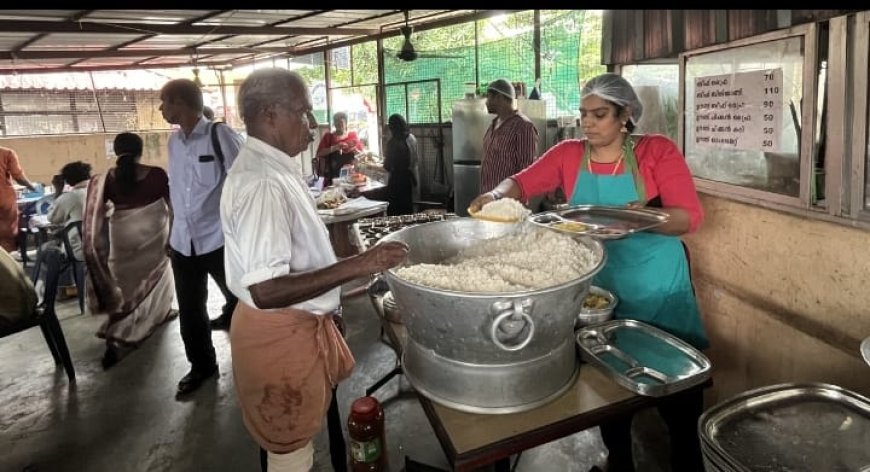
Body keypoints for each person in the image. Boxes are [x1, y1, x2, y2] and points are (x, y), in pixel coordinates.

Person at [469, 72, 709, 472]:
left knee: (679, 405)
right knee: (610, 404)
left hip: (659, 289)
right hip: (602, 292)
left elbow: (689, 218)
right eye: (584, 113)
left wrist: (645, 217)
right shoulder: (569, 154)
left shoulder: (656, 152)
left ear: (625, 115)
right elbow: (523, 182)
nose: (588, 122)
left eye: (599, 114)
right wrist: (496, 194)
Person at [220, 68, 408, 472]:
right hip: (278, 337)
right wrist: (360, 264)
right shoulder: (262, 183)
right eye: (304, 113)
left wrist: (330, 302)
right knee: (288, 450)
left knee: (295, 439)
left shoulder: (275, 169)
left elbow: (298, 262)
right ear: (270, 114)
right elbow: (265, 289)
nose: (312, 125)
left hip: (297, 326)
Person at [160, 78, 243, 397]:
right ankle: (202, 366)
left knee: (242, 298)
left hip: (219, 238)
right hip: (184, 242)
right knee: (191, 309)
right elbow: (176, 193)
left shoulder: (219, 135)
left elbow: (243, 183)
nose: (162, 109)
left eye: (164, 102)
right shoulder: (174, 143)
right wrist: (171, 233)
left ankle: (255, 355)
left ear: (180, 101)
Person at [83, 132, 177, 370]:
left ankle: (121, 323)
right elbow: (172, 206)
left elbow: (99, 214)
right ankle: (148, 319)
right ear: (140, 150)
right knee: (155, 279)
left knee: (125, 284)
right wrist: (173, 235)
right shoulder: (156, 174)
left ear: (116, 151)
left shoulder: (106, 179)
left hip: (121, 235)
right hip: (153, 233)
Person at [31, 161, 91, 317]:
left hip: (81, 252)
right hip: (106, 248)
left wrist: (58, 190)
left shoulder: (69, 197)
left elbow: (52, 218)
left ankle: (41, 295)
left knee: (46, 252)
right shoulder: (99, 192)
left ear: (68, 181)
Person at [479, 78, 539, 194]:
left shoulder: (522, 126)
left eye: (489, 97)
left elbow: (526, 170)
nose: (486, 102)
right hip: (489, 198)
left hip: (507, 201)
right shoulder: (493, 124)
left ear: (500, 98)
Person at [383, 113, 420, 216]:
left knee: (396, 212)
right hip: (412, 178)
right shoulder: (412, 138)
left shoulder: (393, 143)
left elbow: (387, 166)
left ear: (392, 127)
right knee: (409, 209)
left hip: (398, 182)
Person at [0, 146, 36, 252]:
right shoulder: (7, 153)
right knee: (7, 232)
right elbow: (19, 177)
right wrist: (32, 187)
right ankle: (7, 260)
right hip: (4, 198)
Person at [315, 111, 364, 186]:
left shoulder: (353, 136)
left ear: (346, 123)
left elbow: (362, 155)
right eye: (336, 121)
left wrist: (355, 151)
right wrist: (335, 147)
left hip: (351, 175)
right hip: (332, 176)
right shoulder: (328, 136)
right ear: (334, 123)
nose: (338, 124)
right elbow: (319, 153)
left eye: (341, 122)